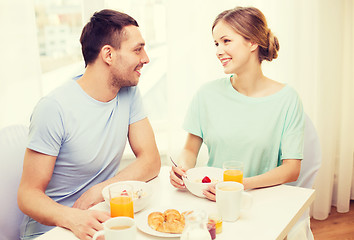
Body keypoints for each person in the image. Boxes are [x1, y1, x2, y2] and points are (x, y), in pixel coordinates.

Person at [17, 9, 161, 240]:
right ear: (108, 55)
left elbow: (151, 160)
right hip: (54, 230)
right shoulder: (54, 108)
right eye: (137, 49)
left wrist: (100, 191)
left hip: (100, 218)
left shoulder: (129, 93)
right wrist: (72, 218)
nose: (145, 58)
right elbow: (27, 195)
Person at [170, 6, 304, 201]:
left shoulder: (287, 99)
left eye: (226, 41)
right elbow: (190, 150)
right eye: (216, 43)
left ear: (252, 42)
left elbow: (291, 169)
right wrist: (182, 169)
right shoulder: (206, 94)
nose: (218, 51)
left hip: (261, 200)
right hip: (212, 199)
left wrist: (238, 185)